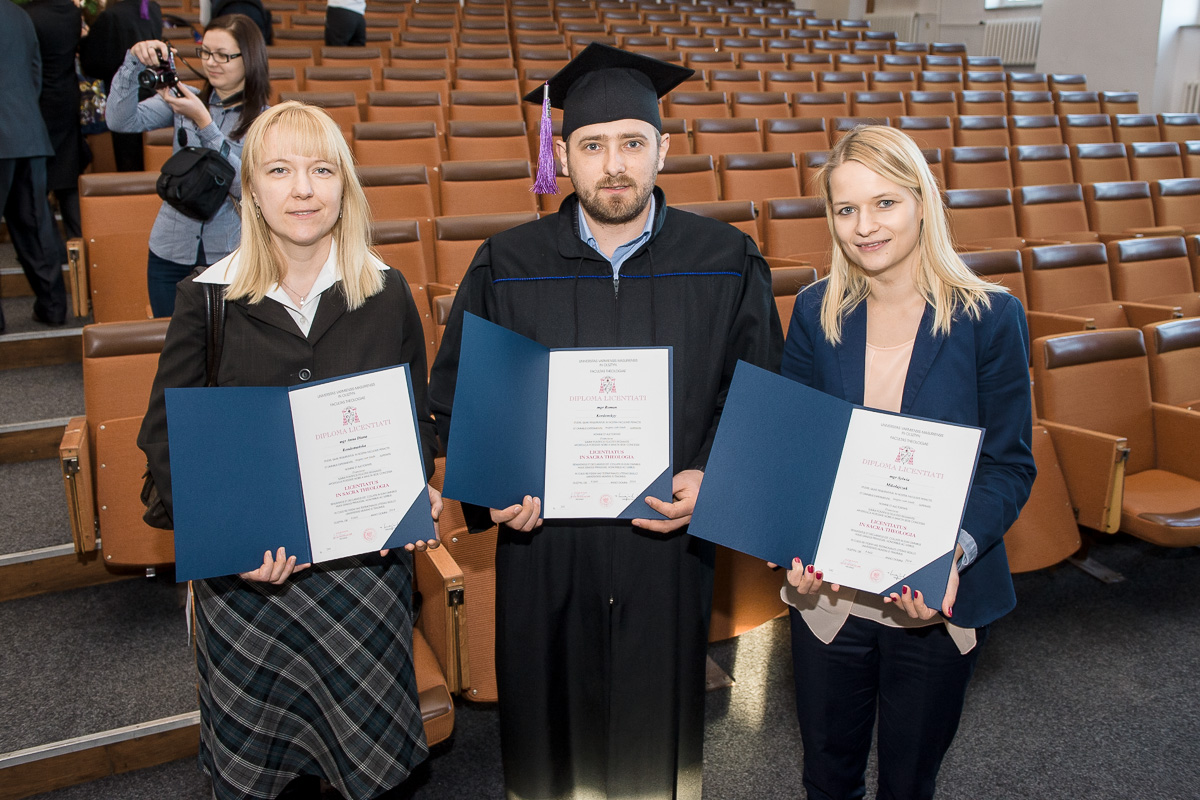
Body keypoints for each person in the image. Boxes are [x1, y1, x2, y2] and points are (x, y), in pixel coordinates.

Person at [428, 44, 783, 800]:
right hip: (544, 546)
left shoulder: (725, 259)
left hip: (667, 542)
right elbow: (458, 398)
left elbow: (760, 393)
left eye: (631, 143)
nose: (614, 165)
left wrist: (713, 476)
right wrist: (493, 490)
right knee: (548, 738)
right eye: (592, 146)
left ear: (663, 148)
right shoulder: (506, 264)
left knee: (657, 739)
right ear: (561, 156)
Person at [137, 100, 440, 800]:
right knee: (261, 774)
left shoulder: (386, 289)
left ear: (345, 186)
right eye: (279, 170)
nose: (302, 189)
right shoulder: (205, 298)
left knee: (368, 766)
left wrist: (412, 484)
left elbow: (413, 417)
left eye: (321, 170)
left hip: (362, 577)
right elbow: (166, 439)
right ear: (250, 187)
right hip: (249, 584)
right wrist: (230, 543)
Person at [780, 124, 1036, 800]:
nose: (864, 226)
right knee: (826, 777)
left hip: (934, 597)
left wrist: (953, 553)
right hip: (829, 596)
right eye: (846, 209)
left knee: (909, 781)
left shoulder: (989, 316)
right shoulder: (815, 312)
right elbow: (797, 455)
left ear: (922, 201)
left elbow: (1009, 467)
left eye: (885, 203)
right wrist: (791, 540)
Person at [105, 13, 269, 317]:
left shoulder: (267, 120)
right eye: (205, 52)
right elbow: (119, 120)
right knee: (172, 340)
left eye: (223, 55)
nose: (211, 62)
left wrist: (204, 123)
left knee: (227, 344)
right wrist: (133, 62)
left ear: (249, 58)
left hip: (230, 256)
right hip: (170, 249)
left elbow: (248, 188)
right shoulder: (186, 99)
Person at [0, 0, 70, 332]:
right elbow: (35, 72)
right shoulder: (17, 13)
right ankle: (53, 306)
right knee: (34, 222)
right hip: (26, 131)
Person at [23, 0, 89, 239]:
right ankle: (78, 241)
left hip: (37, 101)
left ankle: (46, 244)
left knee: (36, 179)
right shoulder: (72, 12)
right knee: (68, 173)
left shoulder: (27, 15)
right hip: (67, 97)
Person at [78, 0, 163, 172]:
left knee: (130, 161)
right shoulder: (151, 7)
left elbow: (94, 63)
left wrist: (84, 40)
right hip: (150, 89)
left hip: (123, 96)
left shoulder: (110, 16)